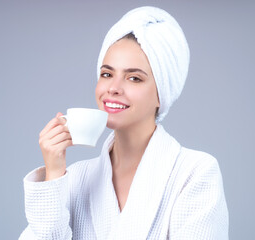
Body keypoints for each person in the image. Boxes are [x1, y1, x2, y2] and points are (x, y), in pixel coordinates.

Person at [19, 6, 229, 240]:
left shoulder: (194, 172)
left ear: (162, 93)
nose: (113, 88)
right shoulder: (75, 179)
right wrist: (54, 173)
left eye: (134, 78)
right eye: (107, 74)